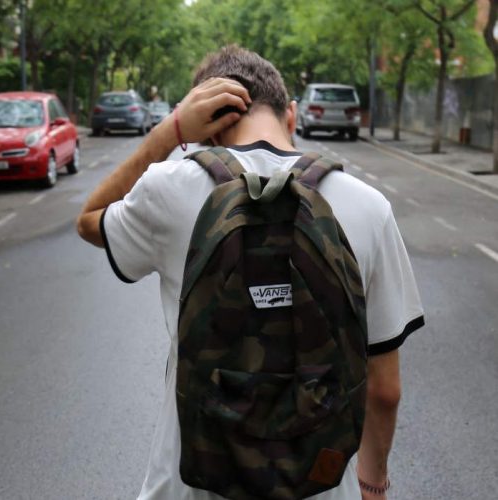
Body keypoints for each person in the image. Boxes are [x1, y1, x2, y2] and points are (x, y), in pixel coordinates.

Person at [77, 45, 424, 500]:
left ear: (209, 127)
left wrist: (170, 132)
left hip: (191, 484)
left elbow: (90, 218)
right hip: (317, 484)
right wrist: (373, 485)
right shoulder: (368, 206)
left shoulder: (169, 189)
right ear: (293, 115)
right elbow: (384, 389)